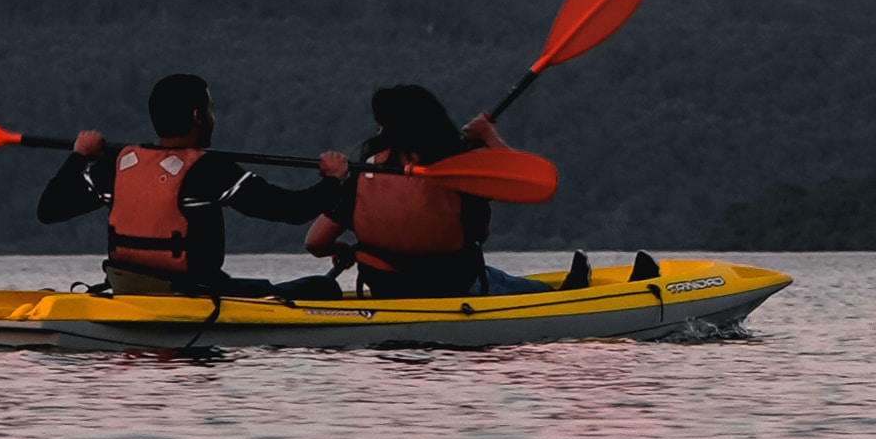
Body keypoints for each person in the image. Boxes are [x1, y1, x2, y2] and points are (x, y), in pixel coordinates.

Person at [36, 74, 325, 302]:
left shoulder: (116, 165)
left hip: (127, 288)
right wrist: (335, 181)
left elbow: (49, 210)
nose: (213, 117)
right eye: (210, 109)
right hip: (197, 292)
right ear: (198, 116)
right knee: (320, 286)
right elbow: (294, 210)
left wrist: (79, 156)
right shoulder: (210, 170)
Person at [305, 81, 551, 302]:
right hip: (453, 287)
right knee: (541, 291)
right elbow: (506, 194)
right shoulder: (459, 172)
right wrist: (489, 136)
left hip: (386, 288)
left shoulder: (359, 175)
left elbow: (316, 242)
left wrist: (343, 250)